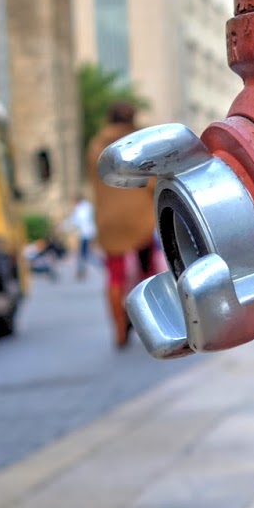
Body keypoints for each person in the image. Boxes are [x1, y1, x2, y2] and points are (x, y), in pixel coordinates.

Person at [86, 102, 157, 346]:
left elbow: (94, 179)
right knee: (147, 271)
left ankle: (118, 329)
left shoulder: (96, 145)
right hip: (140, 217)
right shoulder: (139, 141)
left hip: (109, 220)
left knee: (115, 275)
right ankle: (152, 322)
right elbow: (152, 179)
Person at [67, 194, 97, 280]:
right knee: (85, 253)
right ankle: (82, 270)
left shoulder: (82, 208)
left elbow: (76, 220)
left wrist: (66, 226)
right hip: (87, 233)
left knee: (84, 253)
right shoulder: (86, 206)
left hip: (86, 233)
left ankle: (82, 271)